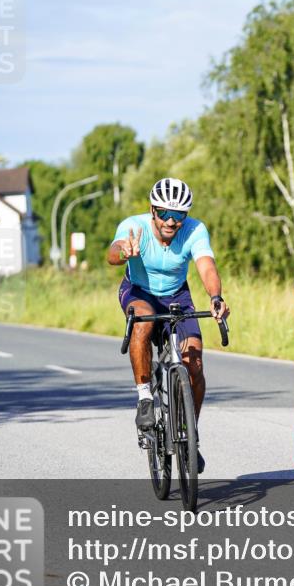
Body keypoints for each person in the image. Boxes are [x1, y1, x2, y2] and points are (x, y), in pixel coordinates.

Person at [107, 177, 230, 473]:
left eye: (179, 215)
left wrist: (216, 296)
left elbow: (206, 265)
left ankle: (190, 437)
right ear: (152, 210)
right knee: (142, 324)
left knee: (195, 364)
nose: (171, 222)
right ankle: (145, 398)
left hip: (177, 294)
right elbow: (112, 254)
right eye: (164, 213)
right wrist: (125, 250)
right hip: (139, 291)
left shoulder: (195, 230)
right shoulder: (133, 226)